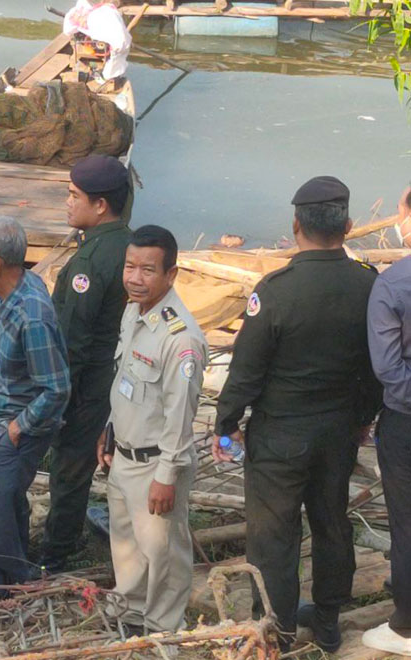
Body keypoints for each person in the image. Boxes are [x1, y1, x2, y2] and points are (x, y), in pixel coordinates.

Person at [212, 176, 381, 652]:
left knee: (273, 535)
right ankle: (327, 618)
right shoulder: (368, 284)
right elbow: (376, 365)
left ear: (295, 225)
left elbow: (246, 369)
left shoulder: (276, 290)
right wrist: (363, 416)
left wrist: (225, 424)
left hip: (280, 435)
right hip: (338, 431)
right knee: (332, 523)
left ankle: (276, 627)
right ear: (348, 226)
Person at [97, 225, 207, 634]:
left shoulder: (181, 340)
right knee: (126, 547)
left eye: (147, 270)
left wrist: (167, 477)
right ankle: (130, 615)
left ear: (171, 275)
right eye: (130, 267)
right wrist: (109, 429)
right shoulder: (133, 312)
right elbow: (125, 380)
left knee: (164, 556)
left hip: (156, 465)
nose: (135, 278)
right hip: (123, 455)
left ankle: (162, 632)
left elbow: (180, 416)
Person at [0, 215, 71, 591]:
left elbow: (57, 388)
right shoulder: (8, 292)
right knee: (9, 503)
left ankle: (0, 591)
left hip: (19, 429)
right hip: (1, 419)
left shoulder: (32, 315)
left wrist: (15, 427)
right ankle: (19, 576)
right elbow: (11, 373)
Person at [42, 154, 132, 571]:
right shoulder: (128, 245)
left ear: (100, 205)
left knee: (70, 468)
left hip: (88, 383)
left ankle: (57, 553)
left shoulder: (91, 262)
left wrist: (58, 397)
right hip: (117, 376)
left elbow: (73, 339)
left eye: (74, 196)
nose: (67, 203)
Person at [363, 208, 411, 654]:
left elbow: (389, 368)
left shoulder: (393, 283)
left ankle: (406, 627)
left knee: (406, 519)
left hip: (406, 422)